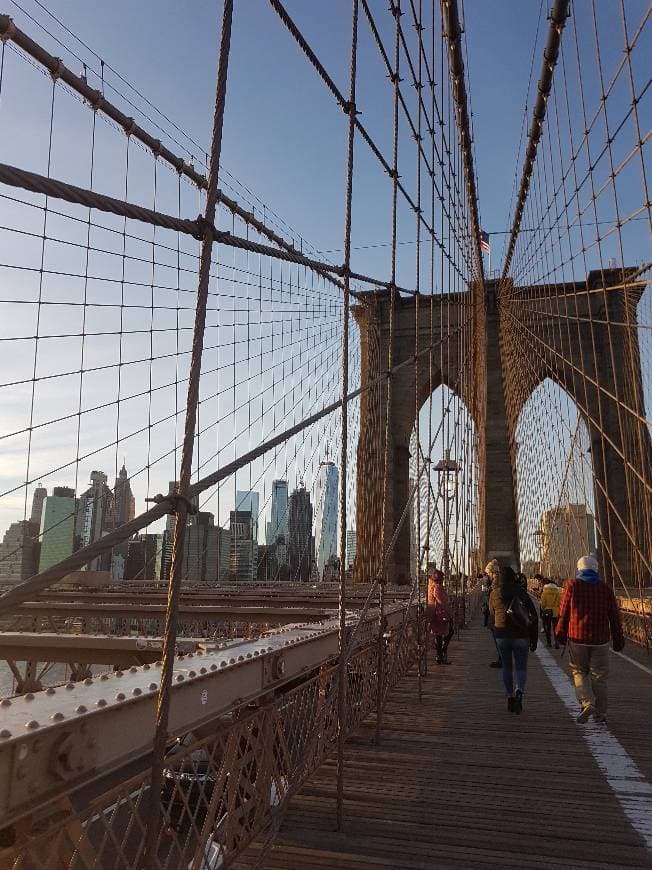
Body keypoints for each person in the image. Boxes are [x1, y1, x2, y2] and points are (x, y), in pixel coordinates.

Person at [555, 555, 624, 724]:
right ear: (596, 569)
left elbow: (564, 613)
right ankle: (601, 714)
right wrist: (618, 638)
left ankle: (586, 703)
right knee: (599, 677)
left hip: (577, 638)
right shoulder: (605, 589)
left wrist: (560, 633)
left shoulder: (572, 585)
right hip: (600, 640)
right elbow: (614, 616)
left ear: (579, 569)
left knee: (578, 672)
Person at [489, 565, 538, 714]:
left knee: (507, 667)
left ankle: (510, 698)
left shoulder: (494, 593)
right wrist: (534, 639)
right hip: (521, 635)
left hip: (501, 635)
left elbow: (491, 614)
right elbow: (533, 616)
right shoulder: (521, 592)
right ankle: (519, 693)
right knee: (521, 667)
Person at [426, 569, 454, 665]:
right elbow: (442, 601)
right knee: (448, 632)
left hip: (434, 613)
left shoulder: (431, 585)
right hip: (440, 614)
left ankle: (440, 655)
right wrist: (451, 613)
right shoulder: (437, 587)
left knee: (439, 635)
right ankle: (442, 653)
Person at [484, 560, 503, 668]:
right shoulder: (500, 581)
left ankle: (502, 659)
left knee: (498, 639)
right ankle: (502, 658)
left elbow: (494, 600)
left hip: (496, 615)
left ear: (492, 572)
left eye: (488, 573)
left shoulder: (495, 583)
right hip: (498, 614)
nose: (488, 576)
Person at [540, 578, 562, 648]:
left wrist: (543, 609)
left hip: (547, 612)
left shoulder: (545, 592)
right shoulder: (558, 593)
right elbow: (560, 603)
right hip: (556, 612)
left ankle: (549, 643)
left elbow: (542, 603)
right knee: (556, 628)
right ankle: (557, 642)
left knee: (547, 628)